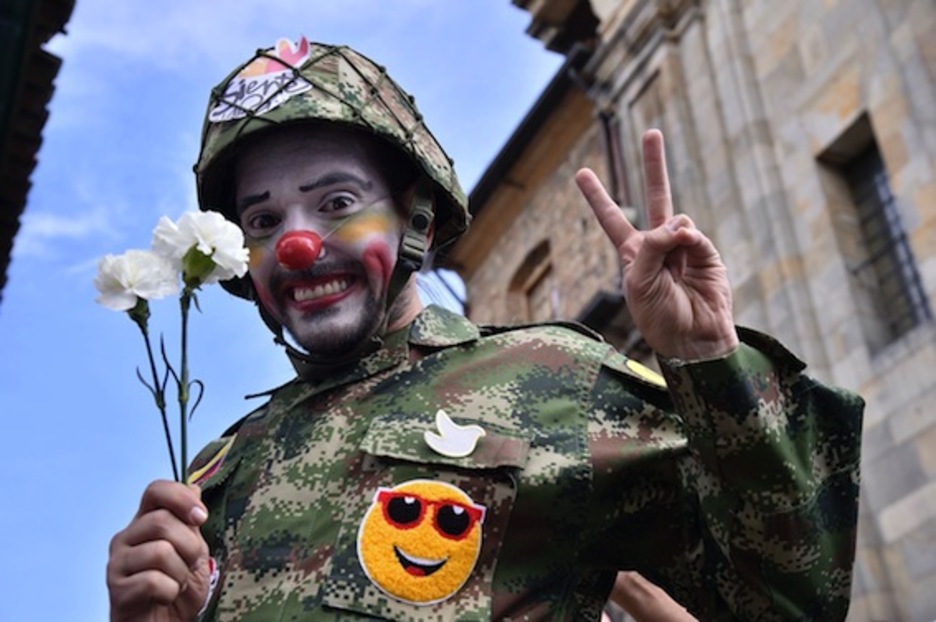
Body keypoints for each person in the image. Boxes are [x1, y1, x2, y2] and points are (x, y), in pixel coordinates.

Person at [106, 36, 864, 621]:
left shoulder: (553, 377)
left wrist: (709, 362)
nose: (300, 245)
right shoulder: (214, 472)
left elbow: (788, 599)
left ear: (418, 219)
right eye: (264, 220)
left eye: (337, 203)